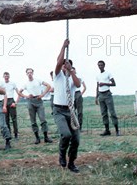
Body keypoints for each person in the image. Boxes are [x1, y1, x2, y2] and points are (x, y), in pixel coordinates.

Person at [53, 39, 81, 173]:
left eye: (67, 65)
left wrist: (72, 71)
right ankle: (61, 155)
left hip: (70, 111)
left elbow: (78, 85)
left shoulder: (72, 77)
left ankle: (71, 163)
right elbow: (58, 62)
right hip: (58, 110)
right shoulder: (57, 76)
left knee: (76, 139)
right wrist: (63, 47)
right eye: (64, 65)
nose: (64, 66)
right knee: (66, 134)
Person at [18, 68, 52, 144]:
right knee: (33, 121)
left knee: (43, 120)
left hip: (39, 100)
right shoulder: (25, 83)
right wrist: (26, 96)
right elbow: (19, 92)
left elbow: (48, 86)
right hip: (30, 101)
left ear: (33, 73)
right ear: (26, 74)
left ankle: (46, 137)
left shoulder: (38, 80)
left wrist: (42, 94)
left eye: (31, 72)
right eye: (28, 73)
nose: (29, 74)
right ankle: (37, 138)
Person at [95, 60, 120, 136]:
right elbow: (97, 86)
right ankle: (107, 130)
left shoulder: (108, 73)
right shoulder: (97, 76)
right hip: (101, 95)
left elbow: (114, 83)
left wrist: (105, 84)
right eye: (99, 65)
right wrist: (96, 97)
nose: (100, 66)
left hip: (107, 94)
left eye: (101, 65)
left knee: (112, 113)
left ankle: (117, 130)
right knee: (104, 114)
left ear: (104, 65)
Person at [2, 71, 20, 139]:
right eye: (5, 76)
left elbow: (18, 93)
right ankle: (8, 134)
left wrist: (15, 102)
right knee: (6, 119)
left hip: (11, 101)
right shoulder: (1, 84)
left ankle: (16, 134)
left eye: (7, 76)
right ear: (3, 77)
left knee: (14, 119)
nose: (6, 77)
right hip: (4, 101)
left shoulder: (13, 83)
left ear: (9, 77)